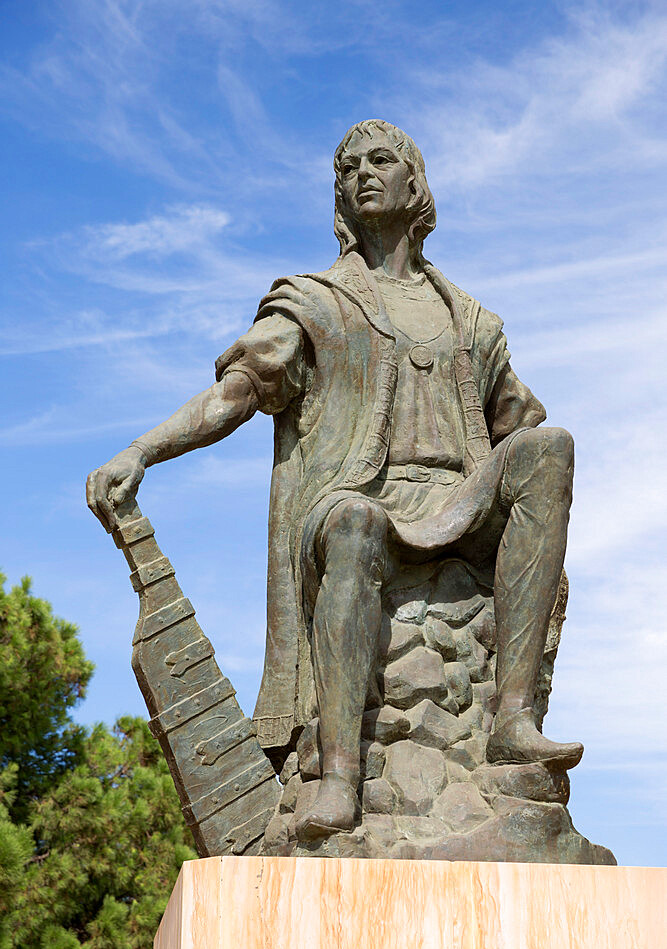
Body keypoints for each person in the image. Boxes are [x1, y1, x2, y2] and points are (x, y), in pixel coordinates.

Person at [87, 120, 582, 841]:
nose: (361, 175)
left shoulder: (470, 319)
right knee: (350, 520)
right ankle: (339, 778)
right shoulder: (314, 299)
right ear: (340, 198)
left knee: (551, 449)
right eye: (347, 169)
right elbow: (237, 392)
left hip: (457, 501)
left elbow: (520, 425)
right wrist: (142, 450)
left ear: (417, 184)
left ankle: (512, 721)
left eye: (381, 161)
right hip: (359, 502)